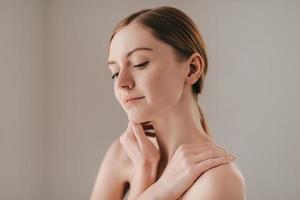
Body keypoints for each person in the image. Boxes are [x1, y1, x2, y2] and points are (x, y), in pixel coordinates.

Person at [90, 6, 246, 200]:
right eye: (114, 72)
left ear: (191, 69)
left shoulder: (218, 180)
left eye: (139, 63)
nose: (121, 83)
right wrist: (148, 177)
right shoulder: (122, 154)